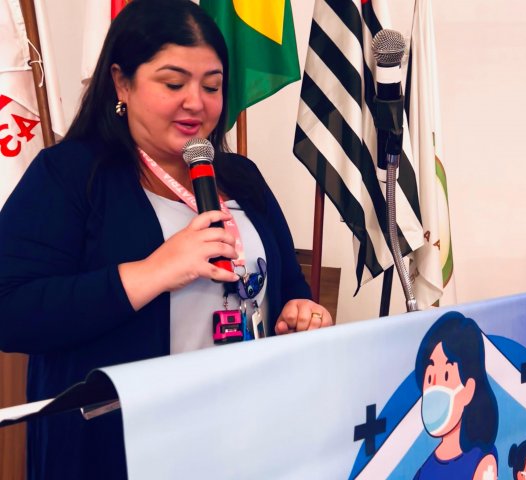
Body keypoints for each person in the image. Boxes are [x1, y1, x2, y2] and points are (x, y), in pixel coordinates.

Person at [0, 0, 331, 478]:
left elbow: (290, 289)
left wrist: (301, 311)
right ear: (122, 83)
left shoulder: (241, 176)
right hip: (121, 451)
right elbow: (11, 311)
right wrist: (153, 272)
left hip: (245, 439)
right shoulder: (69, 173)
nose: (195, 102)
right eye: (173, 84)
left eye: (211, 86)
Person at [413, 311, 499, 480]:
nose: (434, 389)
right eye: (430, 378)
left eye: (445, 376)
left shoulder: (482, 461)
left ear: (468, 389)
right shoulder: (423, 471)